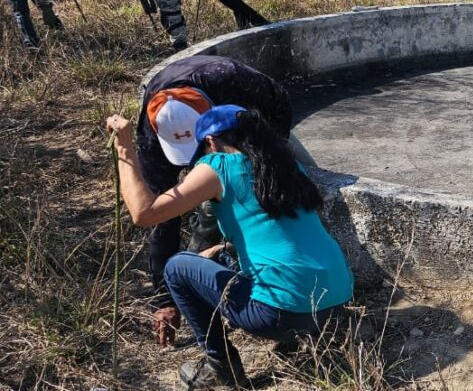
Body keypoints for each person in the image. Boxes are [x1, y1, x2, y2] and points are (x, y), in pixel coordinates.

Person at [106, 105, 353, 389]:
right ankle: (306, 337)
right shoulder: (286, 166)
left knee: (177, 267)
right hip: (336, 304)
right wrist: (216, 252)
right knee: (220, 257)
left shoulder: (217, 166)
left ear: (211, 142)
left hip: (281, 314)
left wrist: (125, 146)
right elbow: (273, 232)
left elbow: (144, 213)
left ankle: (221, 368)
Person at [136, 55, 300, 348]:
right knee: (208, 208)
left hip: (249, 127)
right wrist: (165, 298)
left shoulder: (231, 79)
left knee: (242, 201)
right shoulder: (151, 134)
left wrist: (268, 162)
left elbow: (280, 104)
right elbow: (160, 217)